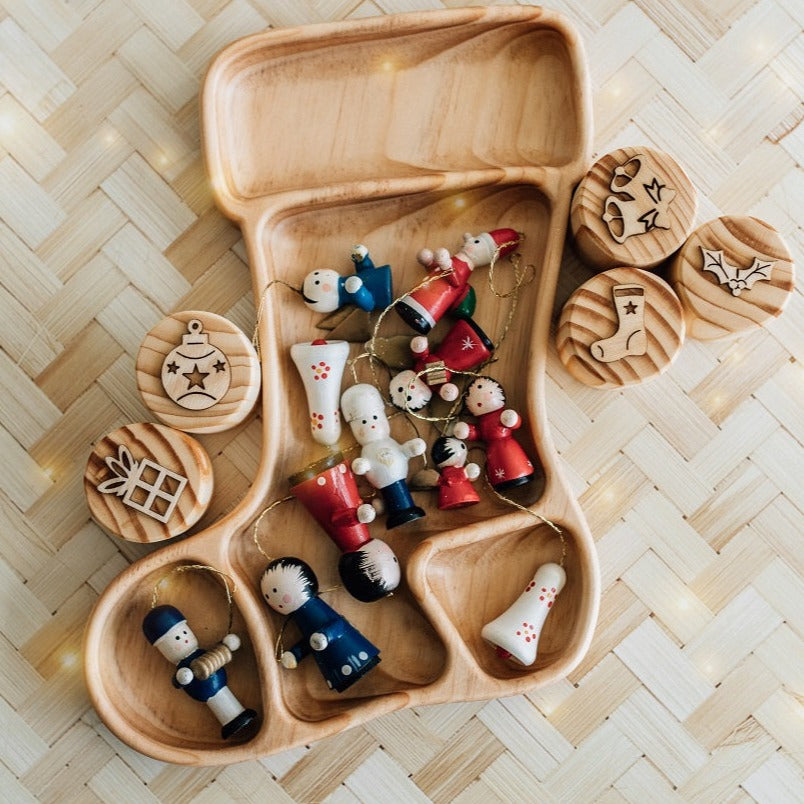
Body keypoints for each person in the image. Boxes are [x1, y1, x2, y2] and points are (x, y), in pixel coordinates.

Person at [261, 557, 380, 692]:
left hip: (355, 652)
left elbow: (340, 625)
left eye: (275, 591)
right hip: (334, 669)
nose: (274, 600)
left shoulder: (320, 611)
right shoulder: (301, 620)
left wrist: (326, 635)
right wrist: (296, 654)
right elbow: (310, 641)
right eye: (268, 597)